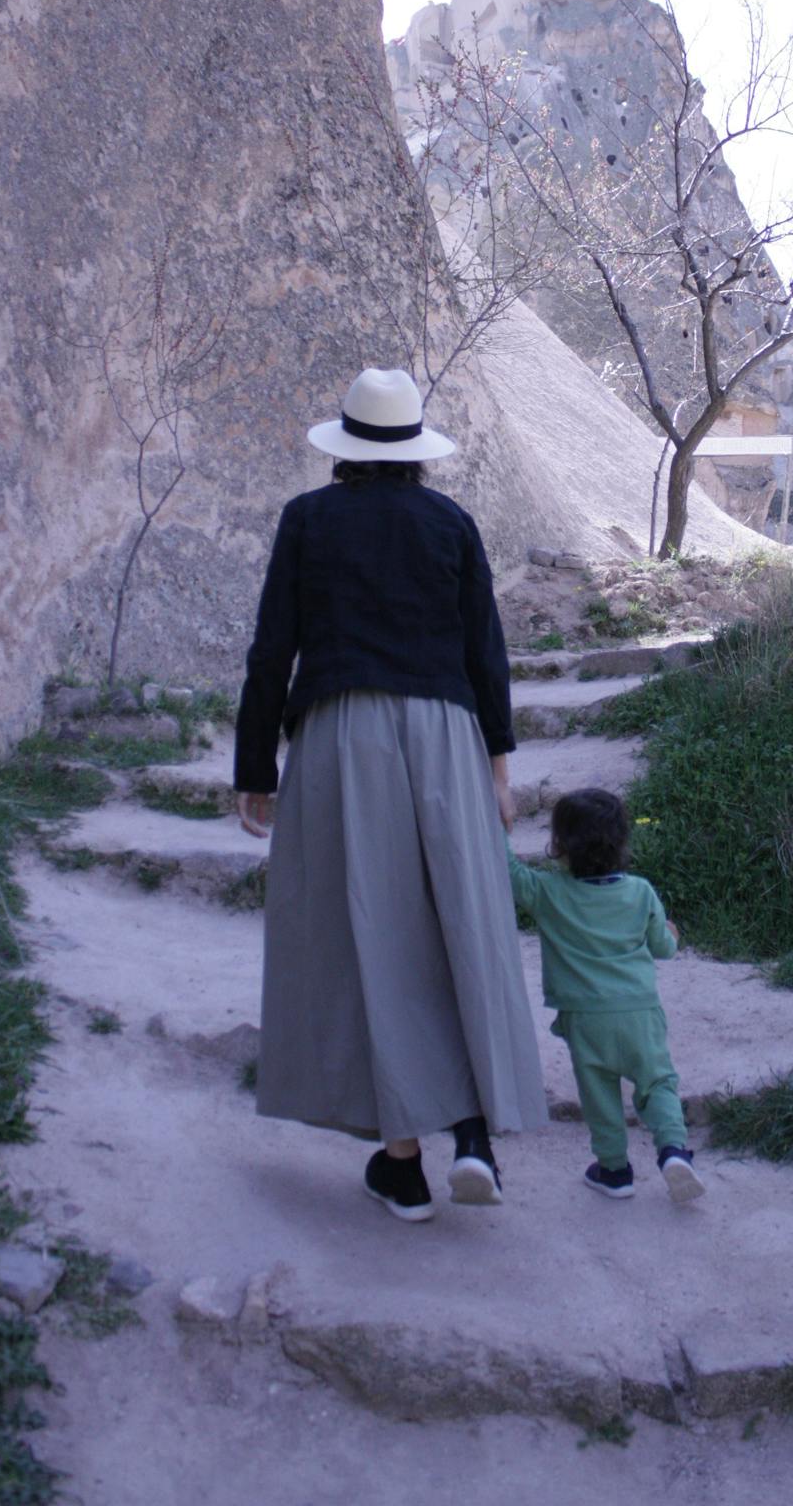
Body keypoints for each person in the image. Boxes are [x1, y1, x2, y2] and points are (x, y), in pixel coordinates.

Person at [233, 367, 548, 1223]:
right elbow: (486, 649)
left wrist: (254, 768)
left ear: (344, 448)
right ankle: (472, 1131)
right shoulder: (452, 523)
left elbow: (273, 648)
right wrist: (497, 768)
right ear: (415, 449)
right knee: (460, 924)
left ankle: (403, 1163)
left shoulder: (308, 521)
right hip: (447, 735)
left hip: (340, 734)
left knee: (366, 934)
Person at [507, 786, 705, 1204]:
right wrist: (672, 934)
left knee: (598, 1094)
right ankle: (673, 1151)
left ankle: (614, 1171)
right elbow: (662, 948)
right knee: (657, 1083)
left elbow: (509, 871)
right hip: (640, 1011)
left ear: (559, 844)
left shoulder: (548, 892)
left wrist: (495, 823)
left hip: (584, 1018)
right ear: (622, 842)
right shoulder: (640, 892)